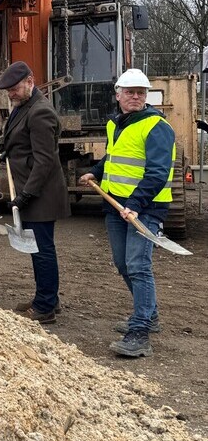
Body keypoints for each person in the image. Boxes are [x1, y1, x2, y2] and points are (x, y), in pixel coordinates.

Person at [79, 69, 176, 358]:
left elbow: (158, 172)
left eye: (141, 92)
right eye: (130, 92)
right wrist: (95, 172)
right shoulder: (116, 123)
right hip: (115, 206)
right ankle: (150, 314)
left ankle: (141, 331)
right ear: (118, 94)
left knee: (138, 266)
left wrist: (135, 202)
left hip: (145, 208)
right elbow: (114, 158)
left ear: (146, 96)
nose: (136, 96)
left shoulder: (156, 126)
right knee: (122, 264)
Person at [0, 61, 70, 324]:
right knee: (36, 249)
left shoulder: (40, 112)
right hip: (32, 190)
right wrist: (8, 150)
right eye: (8, 91)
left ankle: (45, 307)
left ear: (30, 80)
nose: (11, 94)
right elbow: (21, 140)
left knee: (42, 250)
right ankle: (47, 297)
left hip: (41, 194)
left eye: (14, 89)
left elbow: (44, 160)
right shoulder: (23, 106)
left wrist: (27, 194)